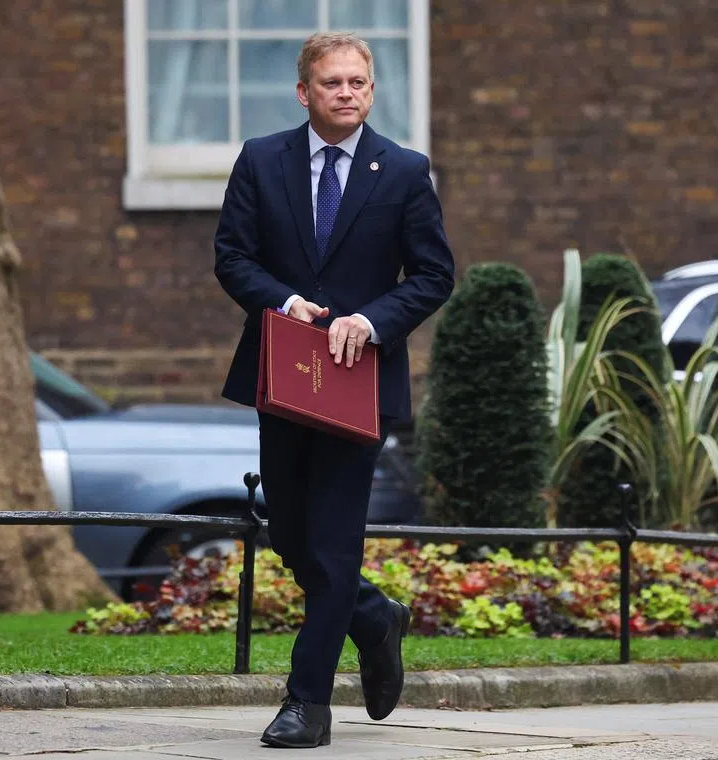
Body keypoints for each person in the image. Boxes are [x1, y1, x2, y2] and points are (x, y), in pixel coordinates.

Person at [213, 32, 455, 749]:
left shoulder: (405, 171)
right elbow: (232, 257)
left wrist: (373, 320)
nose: (346, 93)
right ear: (304, 93)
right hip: (283, 377)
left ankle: (306, 703)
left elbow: (435, 275)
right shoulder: (262, 160)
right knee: (289, 532)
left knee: (336, 539)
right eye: (331, 84)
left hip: (360, 385)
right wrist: (285, 304)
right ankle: (375, 616)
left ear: (372, 91)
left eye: (358, 83)